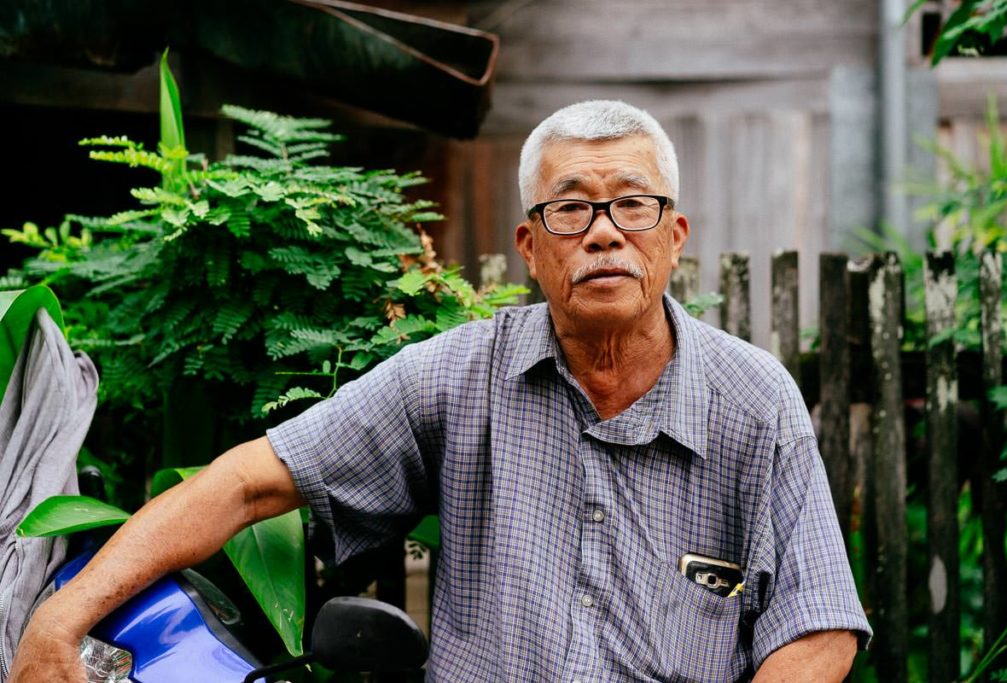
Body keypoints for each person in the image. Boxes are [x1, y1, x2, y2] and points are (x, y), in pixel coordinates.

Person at [10, 100, 870, 682]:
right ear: (531, 249)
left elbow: (819, 625)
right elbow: (245, 482)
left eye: (632, 206)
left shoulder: (756, 404)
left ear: (673, 236)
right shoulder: (461, 377)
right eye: (571, 209)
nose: (605, 233)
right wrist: (58, 616)